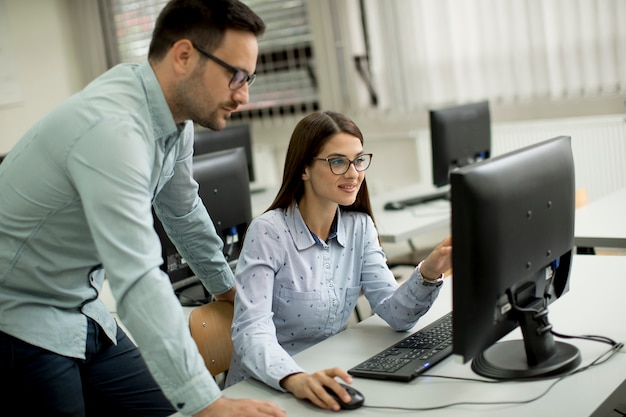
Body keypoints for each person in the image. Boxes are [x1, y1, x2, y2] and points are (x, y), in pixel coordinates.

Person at [0, 1, 286, 416]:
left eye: (249, 78)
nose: (243, 95)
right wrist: (209, 403)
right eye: (235, 76)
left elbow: (183, 211)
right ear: (184, 56)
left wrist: (227, 289)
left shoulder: (174, 120)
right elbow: (137, 277)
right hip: (18, 320)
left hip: (84, 311)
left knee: (172, 407)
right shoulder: (113, 130)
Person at [225, 110, 452, 411]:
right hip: (265, 390)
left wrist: (429, 271)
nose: (353, 173)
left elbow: (397, 315)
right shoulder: (269, 232)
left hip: (325, 377)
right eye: (337, 162)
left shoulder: (359, 227)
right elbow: (251, 331)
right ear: (304, 169)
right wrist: (295, 377)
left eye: (359, 160)